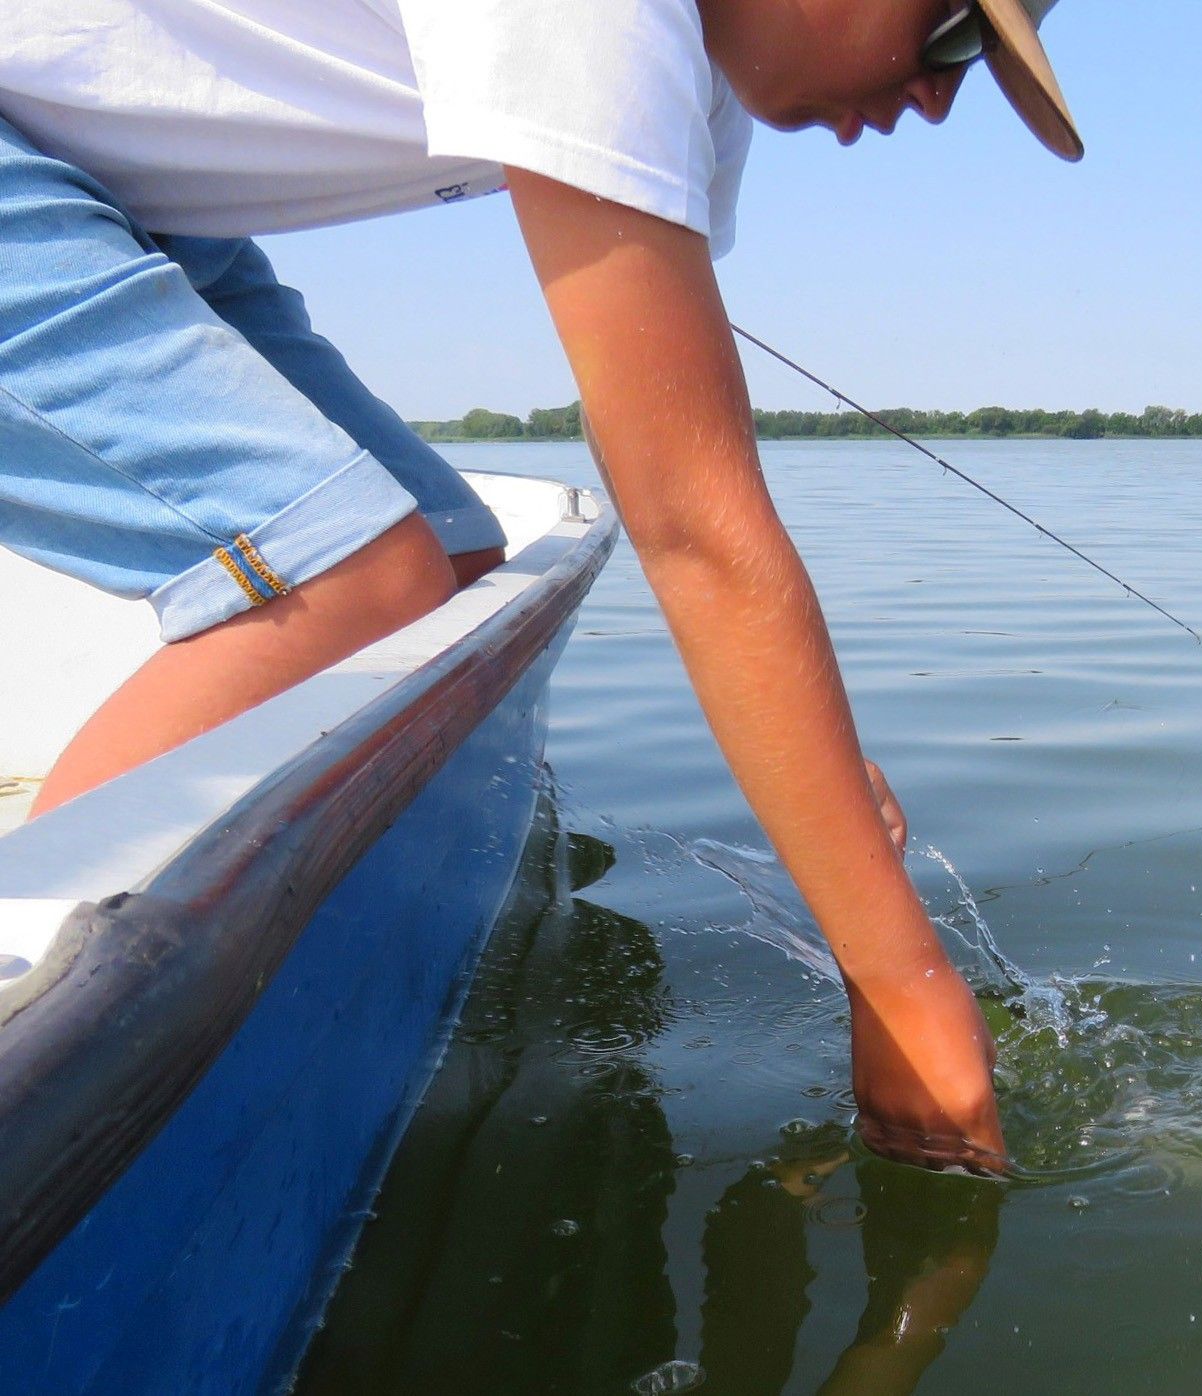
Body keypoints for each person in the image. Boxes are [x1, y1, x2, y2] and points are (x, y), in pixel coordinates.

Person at [0, 0, 1085, 1172]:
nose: (937, 96)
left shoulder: (694, 80)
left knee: (450, 564)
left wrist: (814, 774)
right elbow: (693, 526)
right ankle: (26, 995)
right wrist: (902, 982)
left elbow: (687, 471)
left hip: (117, 189)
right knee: (355, 569)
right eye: (956, 40)